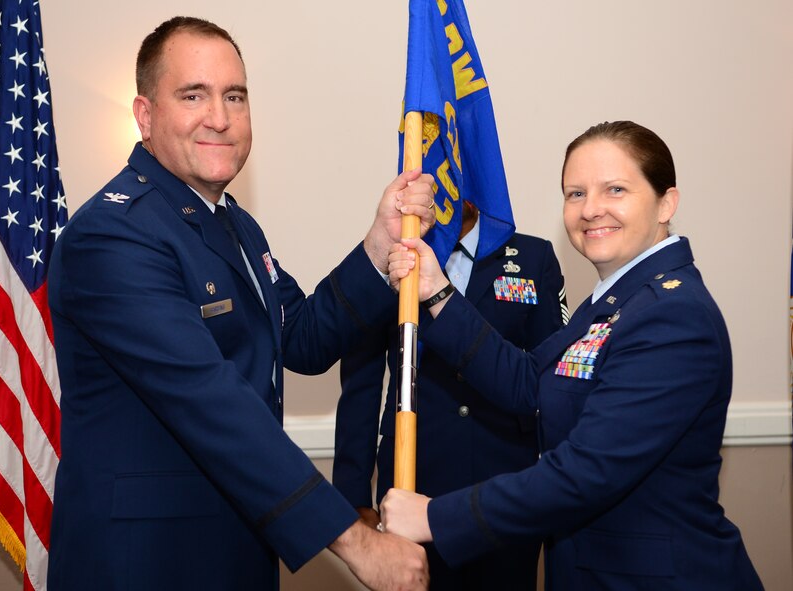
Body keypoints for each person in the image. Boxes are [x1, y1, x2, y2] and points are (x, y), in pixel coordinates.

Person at [46, 16, 433, 591]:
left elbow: (299, 336)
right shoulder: (111, 236)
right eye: (193, 95)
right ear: (145, 115)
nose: (220, 118)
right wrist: (355, 542)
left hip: (236, 550)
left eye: (235, 96)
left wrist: (379, 242)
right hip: (147, 565)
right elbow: (210, 401)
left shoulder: (235, 227)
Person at [380, 121, 764, 590]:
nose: (591, 210)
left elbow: (586, 472)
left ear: (667, 202)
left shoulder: (672, 316)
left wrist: (435, 517)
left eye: (615, 189)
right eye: (575, 193)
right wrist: (438, 292)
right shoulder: (615, 302)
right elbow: (528, 382)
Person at [333, 200, 567, 589]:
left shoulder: (533, 256)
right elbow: (362, 382)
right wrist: (354, 497)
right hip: (414, 481)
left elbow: (553, 384)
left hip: (506, 486)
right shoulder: (394, 255)